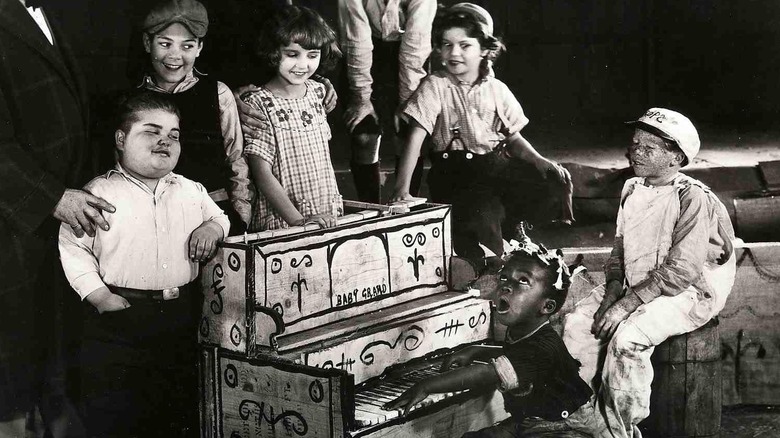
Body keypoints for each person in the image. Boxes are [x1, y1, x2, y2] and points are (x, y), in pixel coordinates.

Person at [58, 92, 229, 437]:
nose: (165, 140)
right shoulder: (99, 193)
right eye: (151, 132)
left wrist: (212, 227)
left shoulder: (191, 190)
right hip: (120, 318)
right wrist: (99, 297)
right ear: (121, 139)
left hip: (181, 316)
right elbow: (73, 248)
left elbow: (221, 218)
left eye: (174, 134)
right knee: (117, 412)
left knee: (174, 407)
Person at [561, 108, 737, 438]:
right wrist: (613, 288)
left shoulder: (692, 197)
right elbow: (620, 248)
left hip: (685, 292)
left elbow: (682, 270)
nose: (636, 152)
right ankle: (582, 417)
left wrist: (626, 305)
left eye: (649, 147)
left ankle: (620, 429)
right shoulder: (631, 188)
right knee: (576, 326)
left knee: (627, 340)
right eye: (635, 144)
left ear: (676, 158)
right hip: (634, 282)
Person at [0, 1, 117, 436]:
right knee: (11, 382)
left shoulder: (57, 13)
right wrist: (52, 197)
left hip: (54, 226)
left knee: (52, 363)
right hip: (14, 226)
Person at [390, 3, 571, 265]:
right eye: (446, 44)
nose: (454, 53)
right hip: (456, 176)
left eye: (465, 45)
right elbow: (415, 137)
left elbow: (513, 138)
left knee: (552, 181)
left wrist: (539, 160)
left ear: (484, 49)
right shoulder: (435, 85)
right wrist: (401, 189)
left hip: (496, 167)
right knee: (483, 225)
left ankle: (512, 225)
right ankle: (482, 242)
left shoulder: (496, 89)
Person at [383, 237, 592, 437]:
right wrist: (475, 350)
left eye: (523, 280)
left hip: (565, 427)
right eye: (504, 277)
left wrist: (426, 385)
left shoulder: (543, 346)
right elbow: (513, 355)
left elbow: (487, 373)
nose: (506, 286)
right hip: (529, 421)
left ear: (546, 306)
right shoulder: (524, 331)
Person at [132, 0, 251, 234]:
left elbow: (236, 158)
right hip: (154, 218)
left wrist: (241, 216)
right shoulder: (133, 99)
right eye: (165, 44)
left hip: (214, 214)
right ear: (148, 43)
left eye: (187, 46)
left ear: (199, 48)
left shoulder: (218, 93)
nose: (175, 55)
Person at [241, 4, 344, 231]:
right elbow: (261, 173)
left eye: (312, 55)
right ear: (273, 50)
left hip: (325, 213)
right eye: (292, 54)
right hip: (284, 221)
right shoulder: (259, 102)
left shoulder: (319, 92)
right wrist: (297, 220)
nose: (303, 64)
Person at [337, 0, 437, 203]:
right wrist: (361, 97)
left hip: (410, 61)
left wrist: (407, 102)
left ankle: (406, 204)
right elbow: (357, 40)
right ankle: (370, 210)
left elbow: (414, 48)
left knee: (407, 131)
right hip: (362, 56)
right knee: (364, 134)